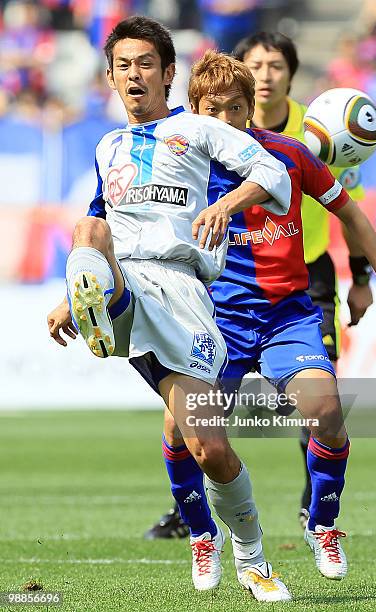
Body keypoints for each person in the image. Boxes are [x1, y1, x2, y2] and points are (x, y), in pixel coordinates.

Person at [47, 15, 294, 602]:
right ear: (109, 77)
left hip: (182, 290)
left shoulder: (201, 131)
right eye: (124, 65)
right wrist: (70, 296)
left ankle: (250, 555)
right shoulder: (108, 148)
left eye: (147, 64)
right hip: (127, 279)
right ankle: (101, 310)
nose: (135, 74)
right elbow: (99, 226)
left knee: (208, 448)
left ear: (167, 75)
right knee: (88, 226)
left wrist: (227, 205)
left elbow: (273, 170)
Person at [147, 49, 376, 583]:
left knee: (328, 415)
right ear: (195, 112)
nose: (228, 121)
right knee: (180, 430)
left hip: (286, 317)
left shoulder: (288, 155)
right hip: (211, 322)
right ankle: (202, 533)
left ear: (253, 108)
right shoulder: (180, 166)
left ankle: (323, 523)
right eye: (214, 110)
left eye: (238, 108)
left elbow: (352, 215)